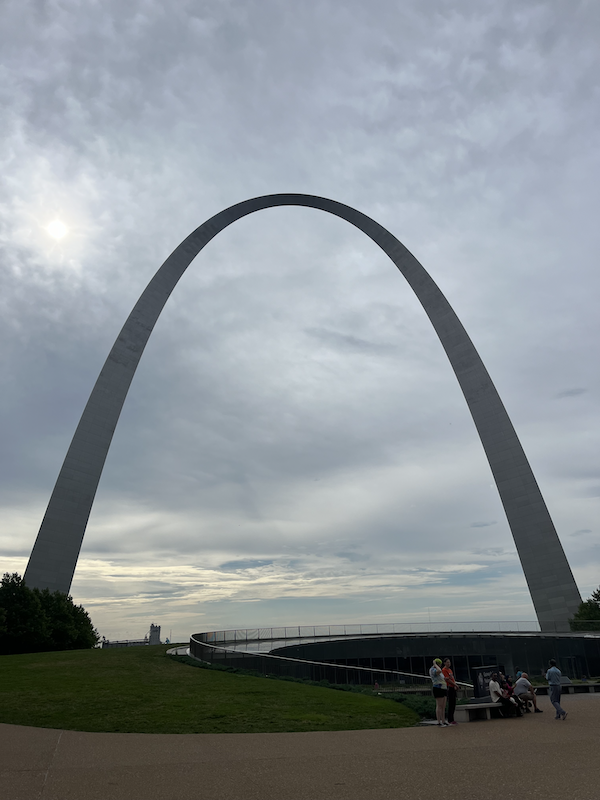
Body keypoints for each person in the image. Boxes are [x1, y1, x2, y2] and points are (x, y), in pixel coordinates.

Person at [429, 658, 448, 726]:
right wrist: (435, 665)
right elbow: (439, 671)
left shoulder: (438, 669)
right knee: (439, 705)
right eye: (439, 664)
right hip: (438, 688)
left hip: (443, 687)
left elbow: (441, 676)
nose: (440, 665)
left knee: (443, 706)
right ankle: (439, 721)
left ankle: (443, 720)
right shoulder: (433, 669)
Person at [442, 658, 458, 725]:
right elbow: (447, 679)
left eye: (449, 662)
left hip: (452, 687)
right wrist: (455, 684)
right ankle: (450, 719)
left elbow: (452, 678)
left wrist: (455, 685)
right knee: (450, 703)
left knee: (453, 703)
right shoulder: (444, 670)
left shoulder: (450, 670)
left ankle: (452, 718)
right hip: (448, 687)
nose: (449, 663)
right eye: (447, 662)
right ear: (444, 663)